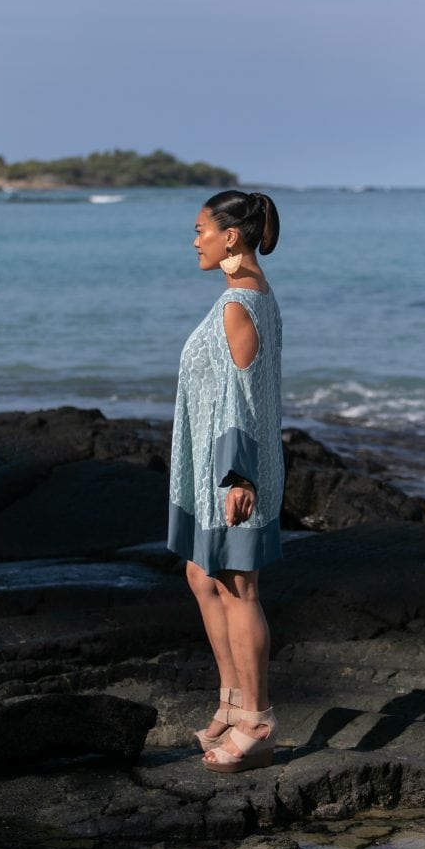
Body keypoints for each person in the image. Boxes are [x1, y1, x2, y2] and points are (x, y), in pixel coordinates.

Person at [167, 189, 283, 774]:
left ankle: (258, 724)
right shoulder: (241, 297)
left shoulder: (242, 301)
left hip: (236, 468)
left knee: (240, 589)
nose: (195, 241)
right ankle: (232, 700)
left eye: (201, 230)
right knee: (201, 575)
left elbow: (245, 397)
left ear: (231, 236)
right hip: (215, 464)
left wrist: (239, 475)